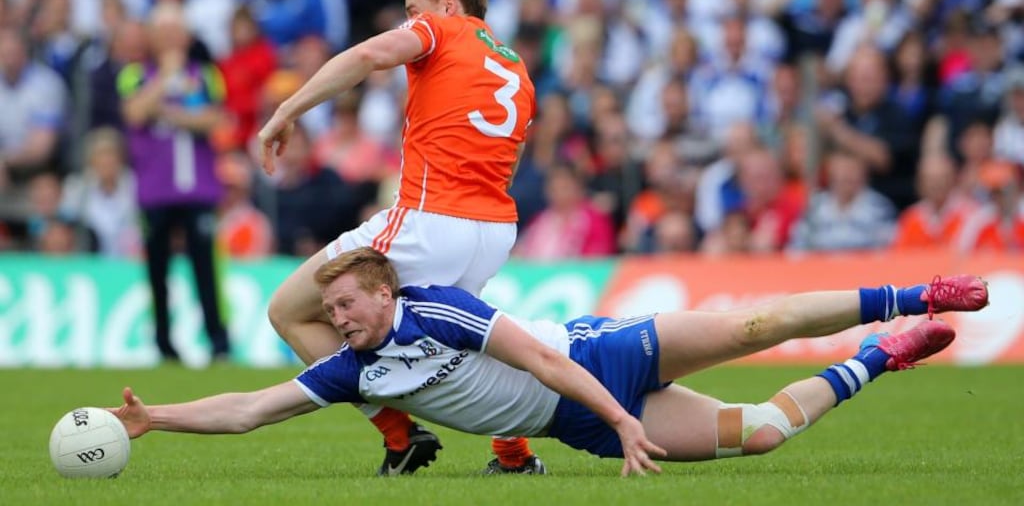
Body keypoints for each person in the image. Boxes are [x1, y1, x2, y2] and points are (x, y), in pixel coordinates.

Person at [108, 247, 990, 476]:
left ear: (384, 293)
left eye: (345, 305)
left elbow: (535, 354)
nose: (335, 321)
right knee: (762, 436)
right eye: (328, 312)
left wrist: (620, 414)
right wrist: (156, 422)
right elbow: (250, 408)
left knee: (752, 325)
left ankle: (917, 294)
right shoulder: (356, 371)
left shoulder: (438, 310)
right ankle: (882, 357)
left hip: (595, 359)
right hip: (572, 421)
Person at [256, 0, 540, 475]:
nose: (409, 21)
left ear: (448, 5)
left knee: (290, 310)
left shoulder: (440, 30)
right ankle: (514, 455)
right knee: (474, 341)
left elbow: (369, 55)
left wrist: (286, 110)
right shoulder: (516, 68)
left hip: (428, 218)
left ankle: (399, 434)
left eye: (413, 10)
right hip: (493, 227)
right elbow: (512, 158)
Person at [117, 1, 231, 363]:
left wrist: (166, 112)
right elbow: (134, 113)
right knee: (157, 268)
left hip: (198, 188)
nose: (169, 39)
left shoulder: (206, 74)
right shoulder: (136, 74)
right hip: (155, 190)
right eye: (162, 32)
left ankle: (218, 340)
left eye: (175, 32)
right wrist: (166, 80)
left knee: (205, 266)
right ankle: (164, 343)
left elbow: (214, 121)